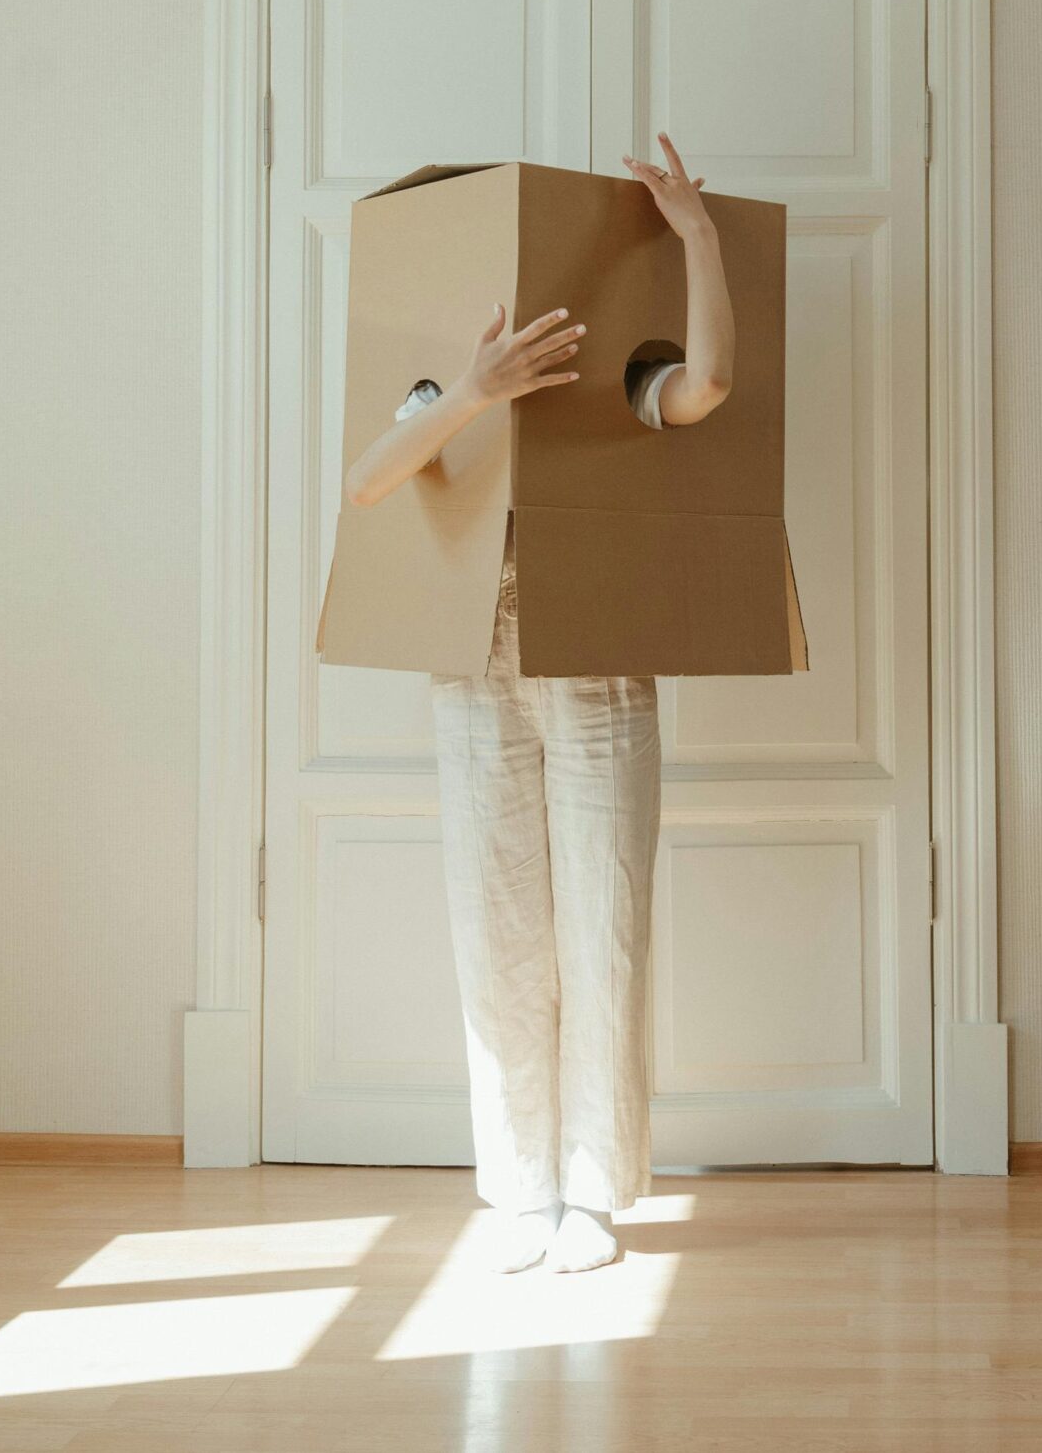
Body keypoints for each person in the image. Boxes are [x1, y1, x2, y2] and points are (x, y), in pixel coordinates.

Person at [340, 132, 731, 1273]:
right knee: (496, 921)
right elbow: (366, 483)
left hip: (599, 655)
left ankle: (593, 1193)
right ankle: (518, 1189)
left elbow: (705, 387)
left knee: (601, 923)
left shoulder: (611, 369)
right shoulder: (437, 380)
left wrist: (697, 233)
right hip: (476, 659)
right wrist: (471, 390)